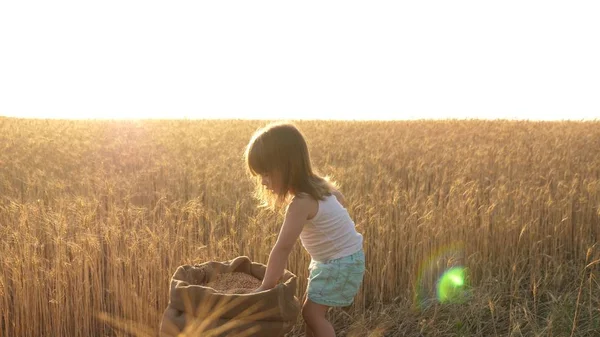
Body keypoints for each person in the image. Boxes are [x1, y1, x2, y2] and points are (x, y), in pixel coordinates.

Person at [244, 121, 365, 337]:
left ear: (287, 166)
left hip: (339, 263)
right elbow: (341, 199)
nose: (262, 181)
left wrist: (265, 287)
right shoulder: (319, 187)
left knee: (312, 315)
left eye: (266, 173)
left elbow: (282, 248)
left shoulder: (301, 203)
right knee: (311, 312)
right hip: (339, 260)